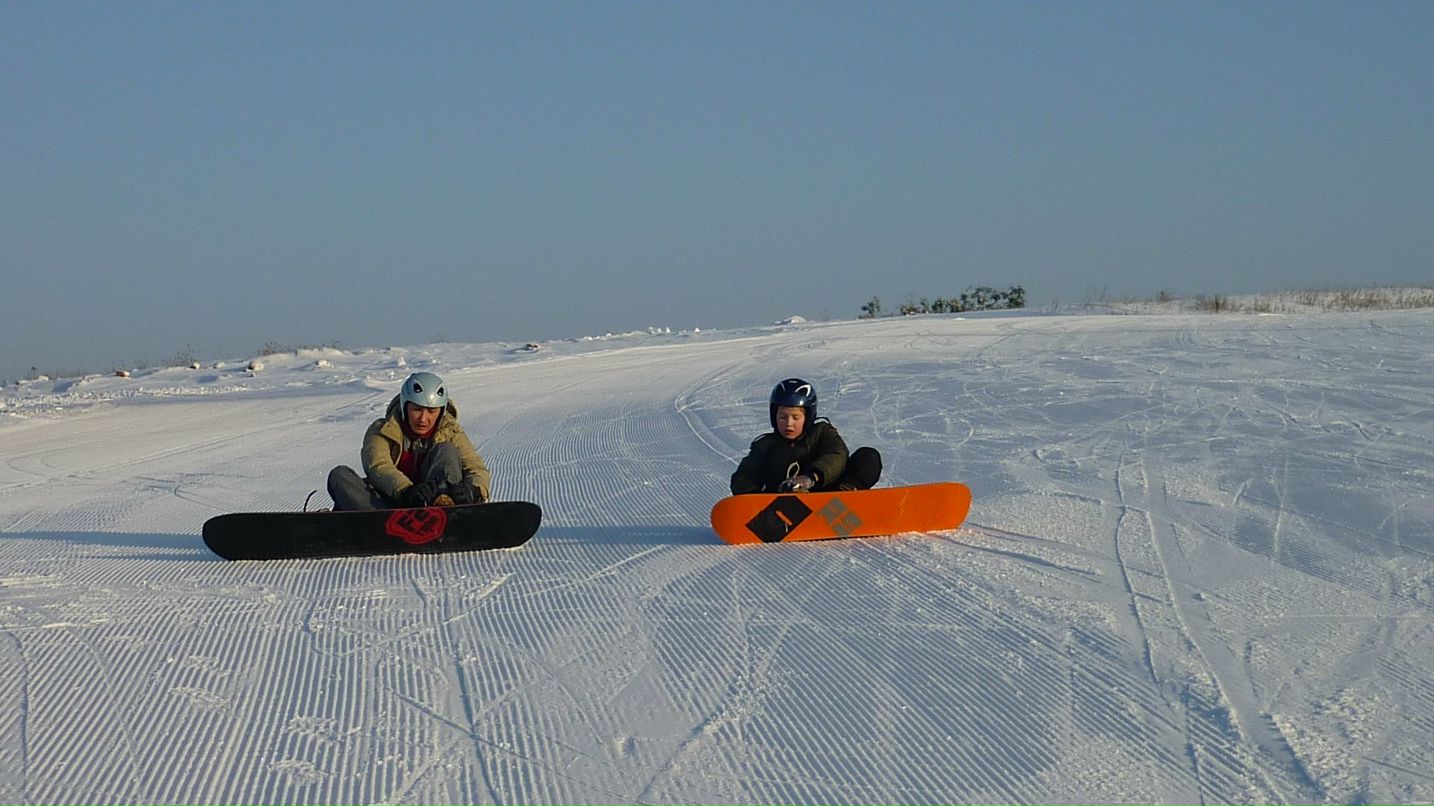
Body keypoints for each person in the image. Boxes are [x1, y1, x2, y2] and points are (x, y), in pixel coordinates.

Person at [327, 371, 491, 510]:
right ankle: (377, 524)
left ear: (441, 412)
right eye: (417, 410)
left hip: (432, 507)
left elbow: (476, 469)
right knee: (339, 476)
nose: (423, 419)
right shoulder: (381, 430)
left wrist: (473, 491)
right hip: (390, 506)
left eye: (431, 411)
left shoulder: (452, 431)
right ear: (405, 407)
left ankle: (446, 510)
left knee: (446, 449)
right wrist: (407, 491)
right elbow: (378, 467)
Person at [730, 378, 882, 495]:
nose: (789, 424)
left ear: (807, 417)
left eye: (796, 417)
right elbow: (743, 477)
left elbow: (837, 455)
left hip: (828, 496)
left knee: (868, 457)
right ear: (774, 416)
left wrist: (812, 477)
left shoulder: (823, 432)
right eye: (783, 417)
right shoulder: (765, 445)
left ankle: (847, 497)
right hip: (784, 504)